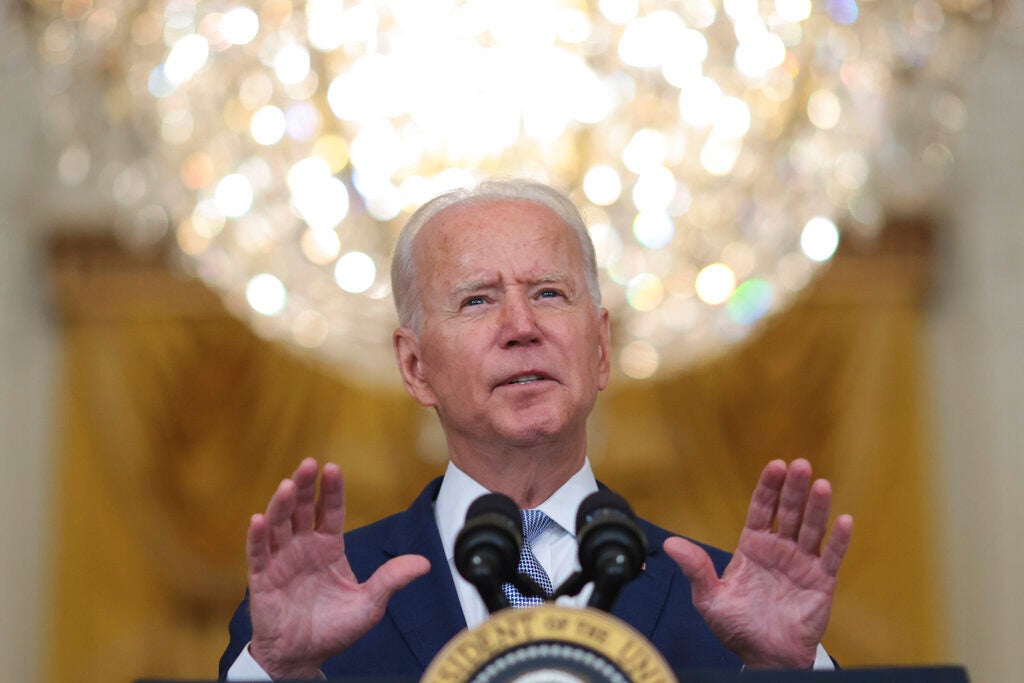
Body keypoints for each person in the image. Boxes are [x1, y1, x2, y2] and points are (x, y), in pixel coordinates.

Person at [220, 179, 853, 680]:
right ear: (416, 368)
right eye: (477, 300)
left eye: (549, 293)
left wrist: (785, 672)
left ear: (600, 348)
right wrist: (282, 672)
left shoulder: (727, 606)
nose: (521, 325)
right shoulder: (314, 603)